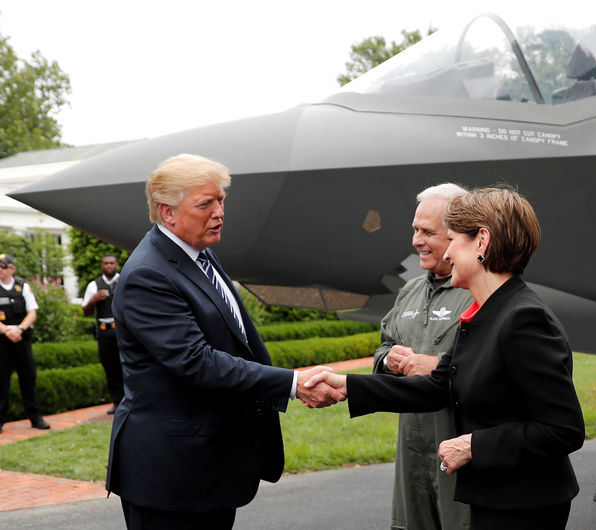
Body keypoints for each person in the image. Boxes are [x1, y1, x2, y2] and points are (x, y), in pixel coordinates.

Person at [307, 187, 585, 529]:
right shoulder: (484, 312)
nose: (448, 252)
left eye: (452, 239)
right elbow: (439, 388)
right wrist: (348, 385)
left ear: (481, 242)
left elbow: (564, 430)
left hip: (524, 507)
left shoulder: (523, 319)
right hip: (492, 499)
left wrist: (474, 445)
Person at [106, 153, 343, 529]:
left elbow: (239, 339)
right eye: (205, 203)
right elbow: (197, 363)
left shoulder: (197, 254)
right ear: (167, 212)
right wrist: (294, 384)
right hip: (171, 476)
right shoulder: (148, 275)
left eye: (221, 200)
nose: (219, 212)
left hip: (205, 467)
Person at [374, 183, 473, 530]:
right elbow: (382, 349)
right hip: (412, 453)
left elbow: (498, 369)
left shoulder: (479, 291)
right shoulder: (411, 291)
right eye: (415, 230)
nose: (417, 240)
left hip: (460, 451)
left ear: (459, 236)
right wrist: (389, 360)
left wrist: (437, 367)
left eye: (428, 232)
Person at [0, 254, 50, 433]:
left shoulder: (23, 286)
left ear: (11, 269)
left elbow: (32, 313)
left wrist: (19, 329)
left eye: (2, 266)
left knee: (28, 379)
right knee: (1, 382)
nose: (0, 269)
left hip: (22, 339)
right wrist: (7, 331)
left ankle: (35, 418)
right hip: (2, 342)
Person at [81, 254, 124, 414]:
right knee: (110, 366)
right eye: (106, 263)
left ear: (116, 264)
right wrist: (94, 299)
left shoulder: (124, 279)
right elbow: (85, 311)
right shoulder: (94, 285)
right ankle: (117, 401)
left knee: (126, 365)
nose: (109, 266)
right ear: (102, 266)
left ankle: (131, 399)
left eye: (112, 263)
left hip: (122, 330)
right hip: (104, 332)